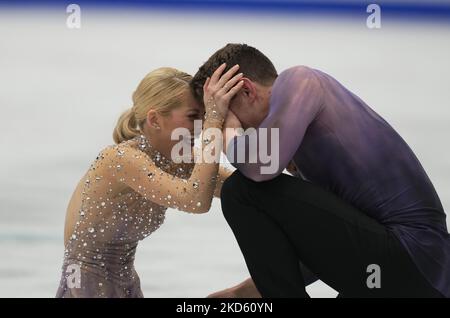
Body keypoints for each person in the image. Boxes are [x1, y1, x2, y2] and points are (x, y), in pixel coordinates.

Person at [190, 43, 450, 298]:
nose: (225, 126)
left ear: (247, 90)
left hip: (416, 258)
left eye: (224, 113)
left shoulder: (301, 81)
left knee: (242, 190)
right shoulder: (296, 141)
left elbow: (260, 168)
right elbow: (327, 242)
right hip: (410, 272)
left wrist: (230, 133)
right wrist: (244, 291)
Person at [56, 65, 243, 297]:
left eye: (204, 116)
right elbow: (196, 200)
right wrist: (214, 120)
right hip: (85, 285)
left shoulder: (178, 159)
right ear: (155, 119)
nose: (202, 125)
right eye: (194, 116)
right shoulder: (120, 159)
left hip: (127, 285)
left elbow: (241, 189)